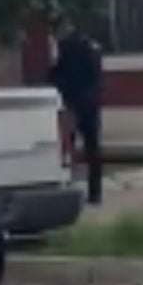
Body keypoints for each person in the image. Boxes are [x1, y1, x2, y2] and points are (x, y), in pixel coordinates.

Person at [50, 25, 103, 204]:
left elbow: (57, 74)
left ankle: (67, 186)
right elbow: (96, 76)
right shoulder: (92, 47)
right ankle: (95, 193)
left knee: (67, 146)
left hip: (71, 103)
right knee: (92, 148)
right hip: (90, 103)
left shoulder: (63, 47)